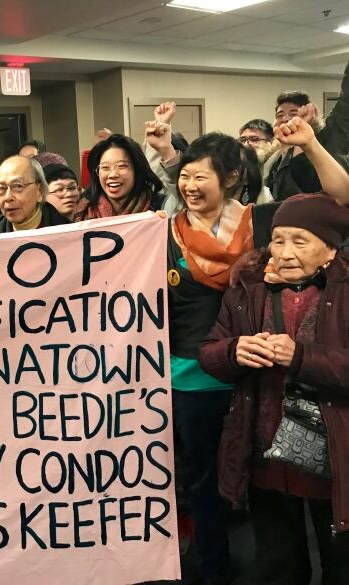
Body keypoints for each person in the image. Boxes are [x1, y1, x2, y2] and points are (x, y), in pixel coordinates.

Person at [199, 194, 349, 585]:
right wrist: (235, 351)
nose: (284, 252)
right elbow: (209, 352)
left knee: (340, 565)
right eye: (278, 239)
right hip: (264, 456)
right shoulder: (249, 287)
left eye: (300, 241)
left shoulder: (344, 292)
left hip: (334, 461)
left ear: (330, 251)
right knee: (278, 567)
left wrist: (301, 356)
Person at [266, 61, 349, 200]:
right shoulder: (271, 159)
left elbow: (345, 107)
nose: (286, 119)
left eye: (293, 114)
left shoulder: (325, 145)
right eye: (280, 115)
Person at [73, 134, 165, 221]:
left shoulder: (158, 205)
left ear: (136, 170)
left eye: (121, 166)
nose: (113, 174)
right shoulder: (83, 211)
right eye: (105, 167)